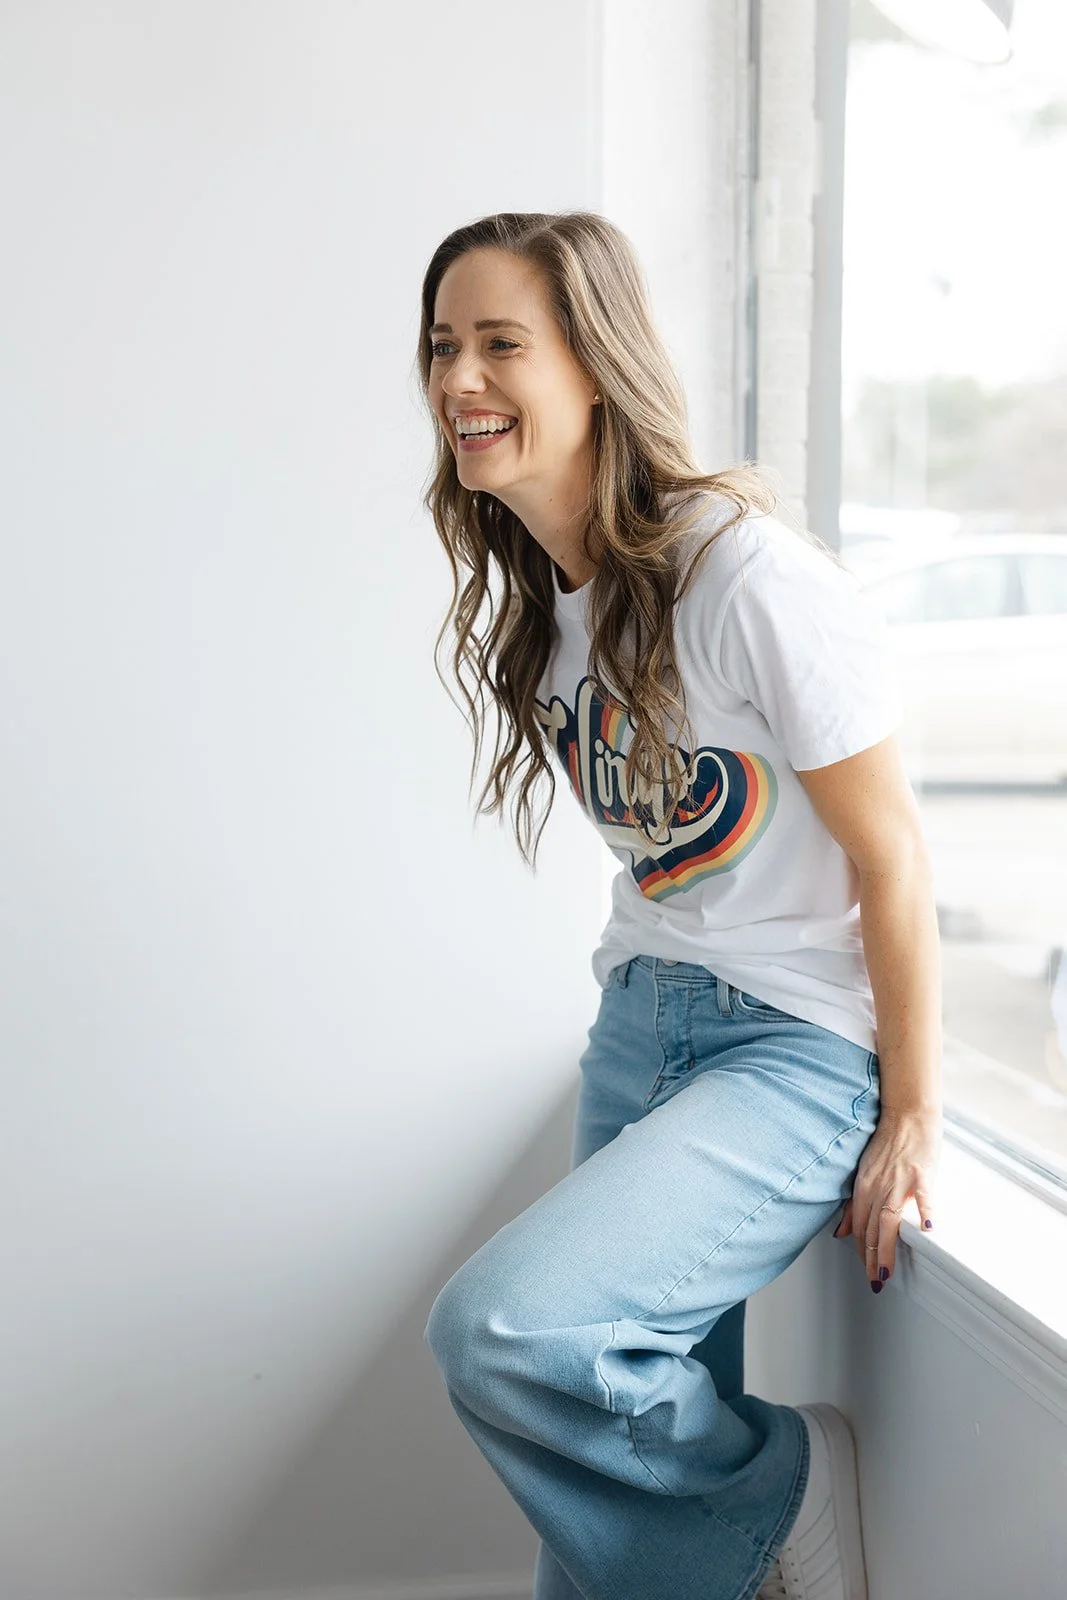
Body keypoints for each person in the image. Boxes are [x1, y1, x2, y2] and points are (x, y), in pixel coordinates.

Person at [416, 211, 944, 1600]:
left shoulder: (745, 575)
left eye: (498, 344)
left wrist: (910, 1113)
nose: (458, 380)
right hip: (639, 1029)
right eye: (440, 346)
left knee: (506, 1332)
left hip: (790, 1050)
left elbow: (889, 856)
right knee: (599, 1501)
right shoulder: (552, 601)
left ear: (593, 365)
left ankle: (777, 1488)